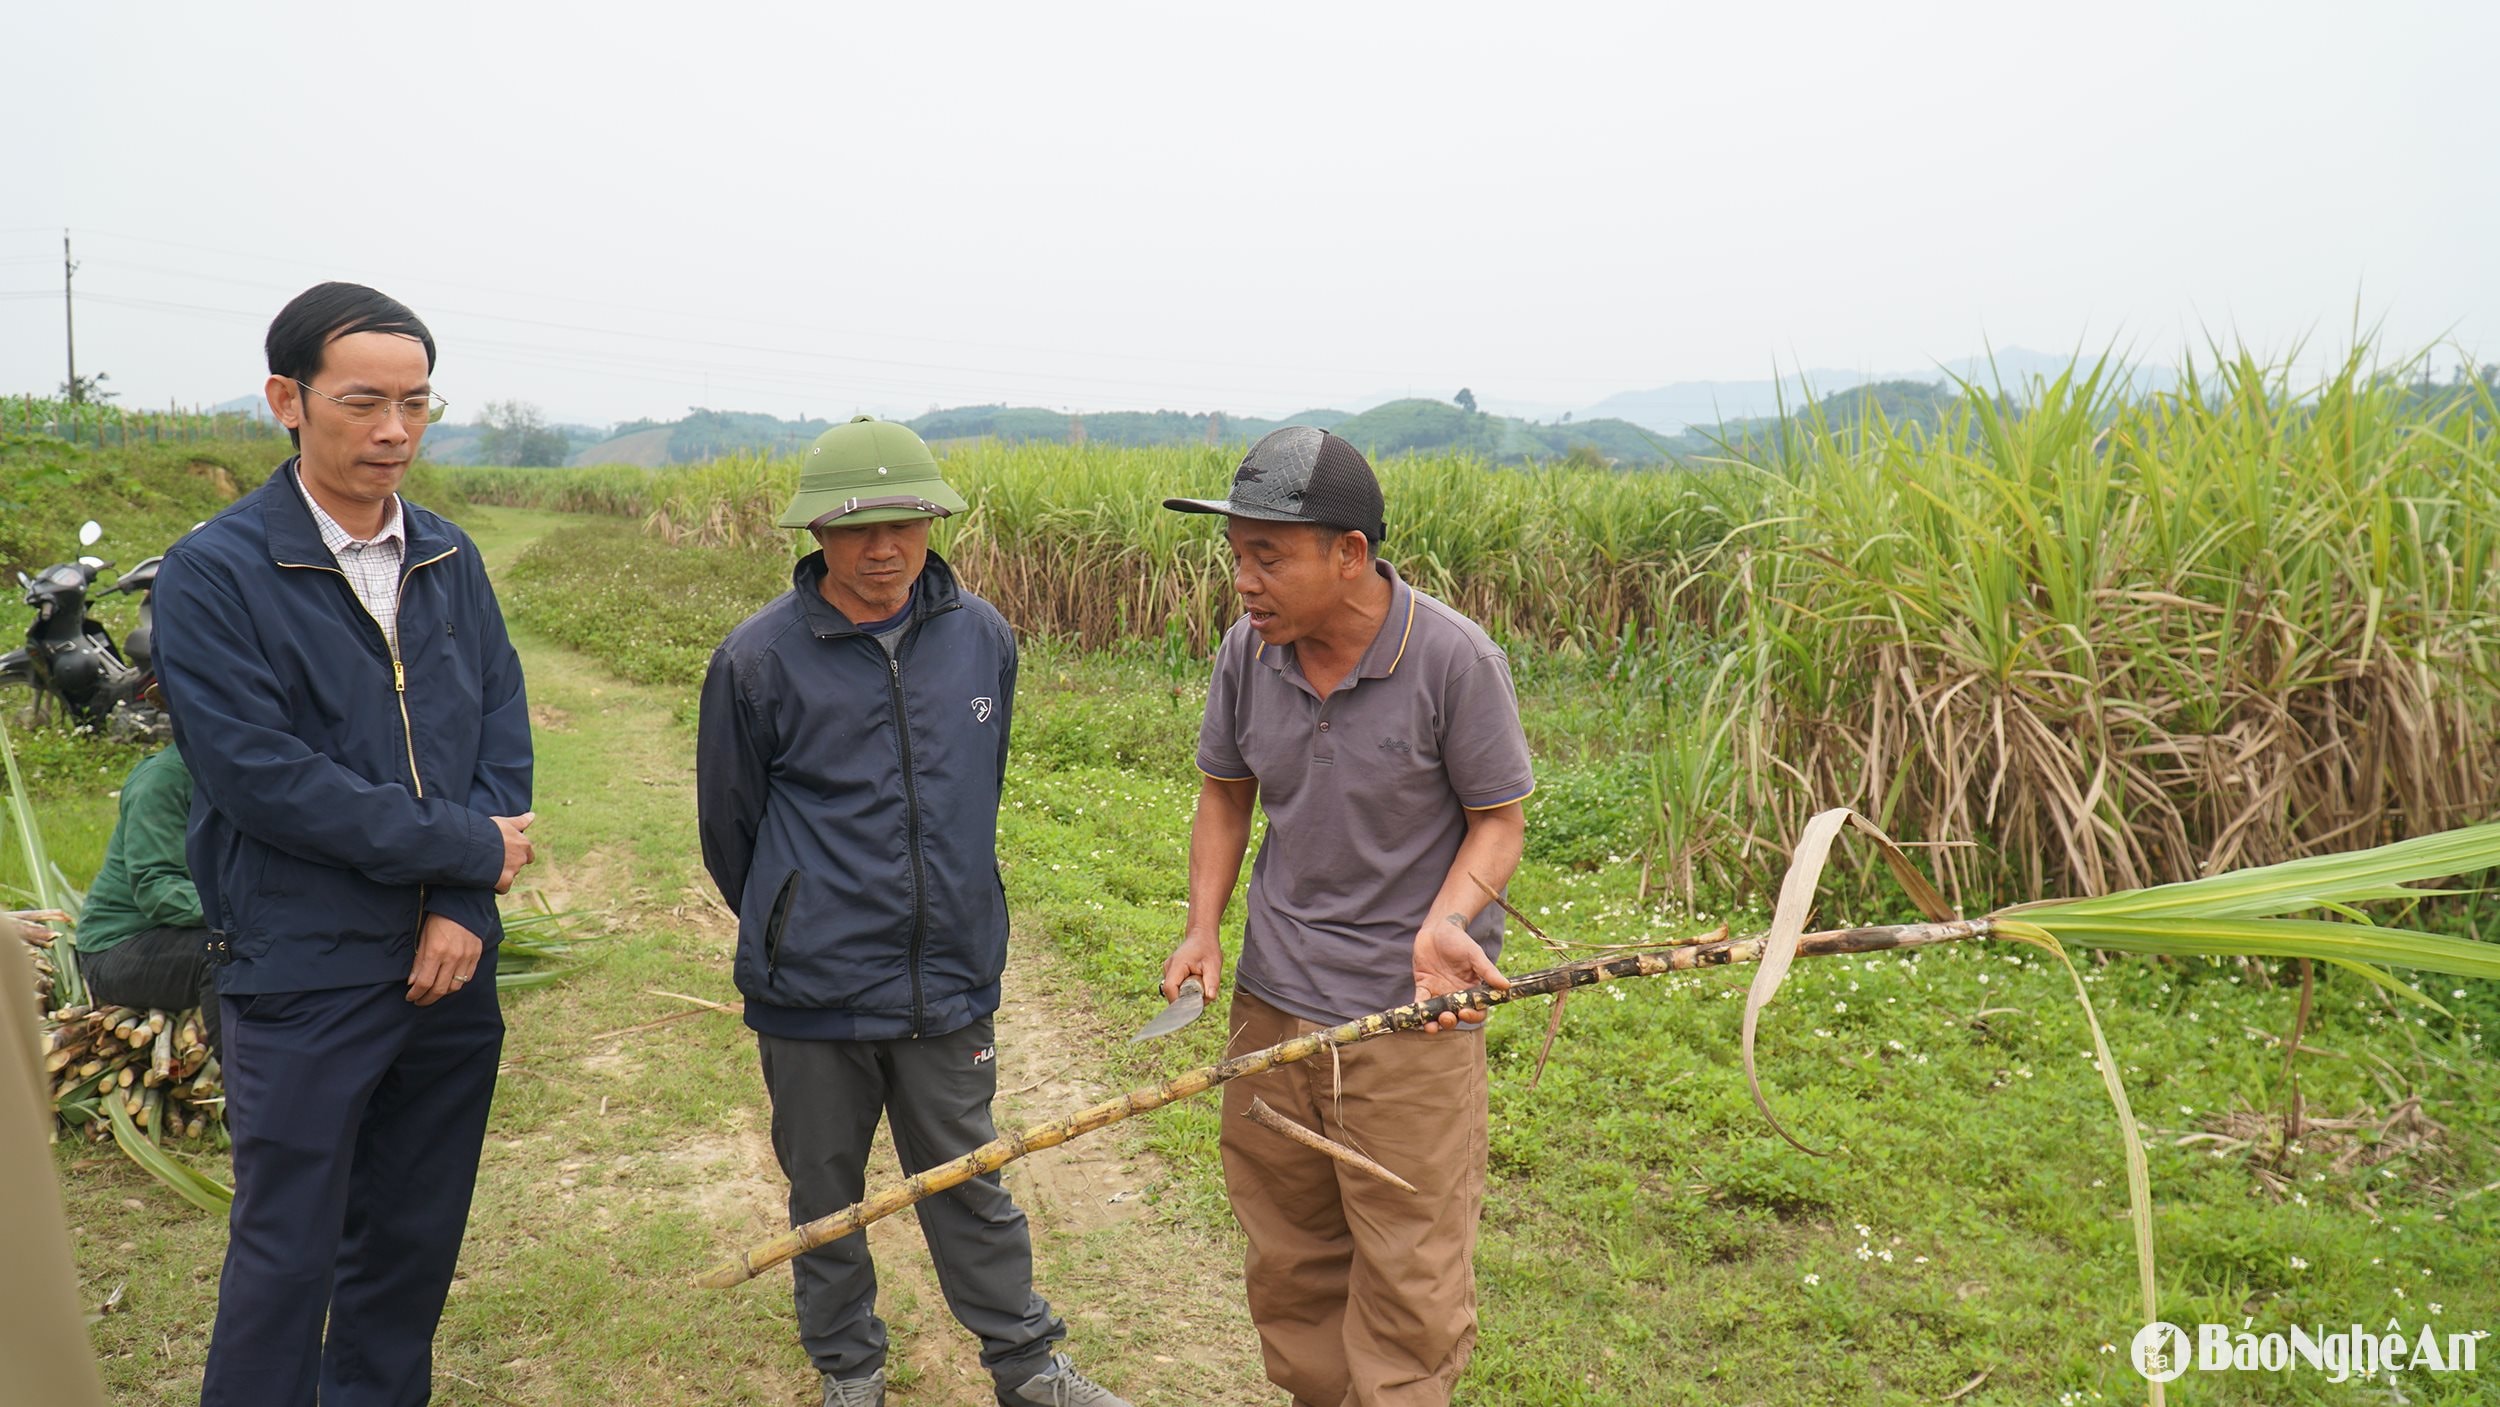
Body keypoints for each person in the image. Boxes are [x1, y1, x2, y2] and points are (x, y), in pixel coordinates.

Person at [152, 281, 537, 1407]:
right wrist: (467, 850)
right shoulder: (217, 572)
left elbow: (500, 735)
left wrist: (463, 906)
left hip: (448, 967)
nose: (393, 433)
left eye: (416, 404)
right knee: (288, 1257)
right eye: (364, 402)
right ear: (288, 398)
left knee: (409, 1246)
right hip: (303, 963)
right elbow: (265, 781)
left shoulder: (448, 558)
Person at [698, 416, 1127, 1407]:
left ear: (933, 523)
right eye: (855, 529)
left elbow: (981, 781)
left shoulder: (981, 637)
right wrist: (789, 921)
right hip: (814, 990)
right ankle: (850, 1370)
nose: (882, 549)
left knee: (970, 1178)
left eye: (904, 523)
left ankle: (1026, 1365)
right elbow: (733, 832)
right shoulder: (756, 661)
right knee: (826, 1196)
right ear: (815, 534)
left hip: (950, 979)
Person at [1159, 426, 1534, 1407]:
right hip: (1272, 1007)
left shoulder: (1454, 661)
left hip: (1407, 1019)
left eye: (1267, 556)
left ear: (1349, 555)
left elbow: (1498, 822)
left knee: (1409, 1275)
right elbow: (1224, 793)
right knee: (1289, 1258)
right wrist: (1202, 930)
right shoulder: (1250, 653)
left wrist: (1450, 920)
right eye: (1235, 556)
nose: (1242, 581)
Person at [72, 687, 219, 1054]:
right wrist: (243, 912)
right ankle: (244, 1093)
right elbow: (158, 888)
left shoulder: (239, 777)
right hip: (120, 946)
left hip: (182, 928)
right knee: (221, 954)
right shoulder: (165, 779)